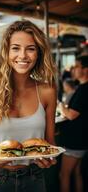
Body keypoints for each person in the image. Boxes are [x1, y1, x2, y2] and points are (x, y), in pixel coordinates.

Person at [0, 20, 57, 192]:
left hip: (35, 177)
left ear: (38, 53)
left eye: (30, 48)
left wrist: (50, 158)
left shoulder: (47, 91)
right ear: (6, 52)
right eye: (16, 48)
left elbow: (50, 142)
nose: (23, 55)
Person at [59, 55, 88, 192]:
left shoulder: (84, 90)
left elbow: (71, 115)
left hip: (75, 142)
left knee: (64, 175)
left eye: (76, 66)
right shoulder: (82, 88)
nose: (73, 70)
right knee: (77, 173)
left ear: (86, 70)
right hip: (82, 140)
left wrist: (60, 106)